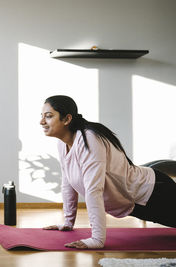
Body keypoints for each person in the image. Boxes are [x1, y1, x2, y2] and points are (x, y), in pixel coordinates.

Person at [40, 95, 176, 249]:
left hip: (155, 192)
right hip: (138, 204)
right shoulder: (63, 144)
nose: (42, 122)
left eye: (49, 116)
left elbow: (94, 189)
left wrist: (97, 239)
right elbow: (68, 182)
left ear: (66, 119)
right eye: (42, 116)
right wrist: (68, 222)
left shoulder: (89, 139)